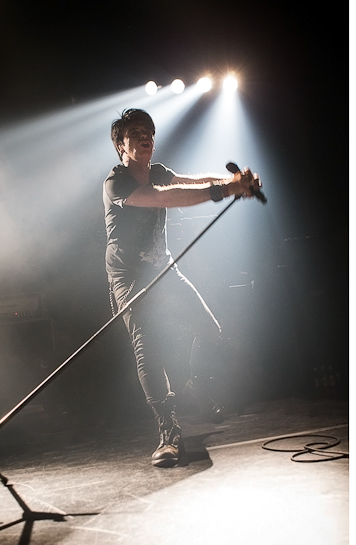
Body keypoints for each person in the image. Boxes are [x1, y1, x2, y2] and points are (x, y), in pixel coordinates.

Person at [103, 108, 261, 468]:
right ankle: (168, 431)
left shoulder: (159, 172)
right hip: (128, 278)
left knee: (209, 328)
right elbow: (162, 197)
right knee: (148, 351)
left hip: (162, 267)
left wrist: (233, 179)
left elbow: (186, 182)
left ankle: (194, 388)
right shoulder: (116, 182)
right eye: (136, 132)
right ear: (121, 144)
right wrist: (226, 189)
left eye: (150, 131)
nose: (146, 136)